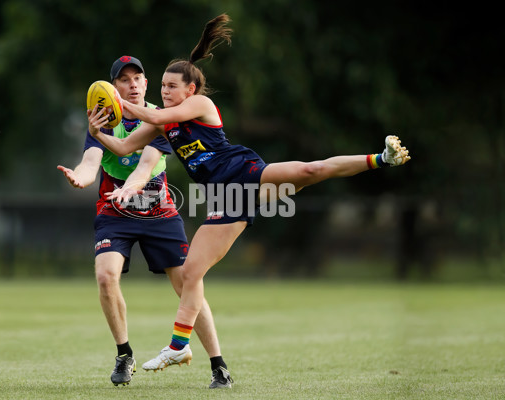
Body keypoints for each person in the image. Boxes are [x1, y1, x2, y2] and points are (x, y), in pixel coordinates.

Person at [86, 14, 411, 377]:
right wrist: (97, 132)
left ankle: (381, 158)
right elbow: (123, 144)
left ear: (189, 90)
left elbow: (147, 112)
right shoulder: (160, 122)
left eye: (171, 86)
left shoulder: (199, 107)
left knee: (308, 171)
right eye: (162, 86)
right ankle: (180, 349)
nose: (164, 92)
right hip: (226, 201)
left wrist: (117, 100)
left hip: (244, 174)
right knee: (192, 271)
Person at [57, 55, 233, 389]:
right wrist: (79, 177)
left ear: (146, 83)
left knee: (187, 284)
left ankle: (218, 365)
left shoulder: (161, 118)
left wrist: (130, 188)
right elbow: (90, 161)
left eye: (137, 78)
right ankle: (124, 354)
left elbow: (142, 167)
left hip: (158, 209)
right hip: (114, 210)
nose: (132, 84)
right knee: (106, 276)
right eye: (123, 80)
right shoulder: (103, 119)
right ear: (113, 87)